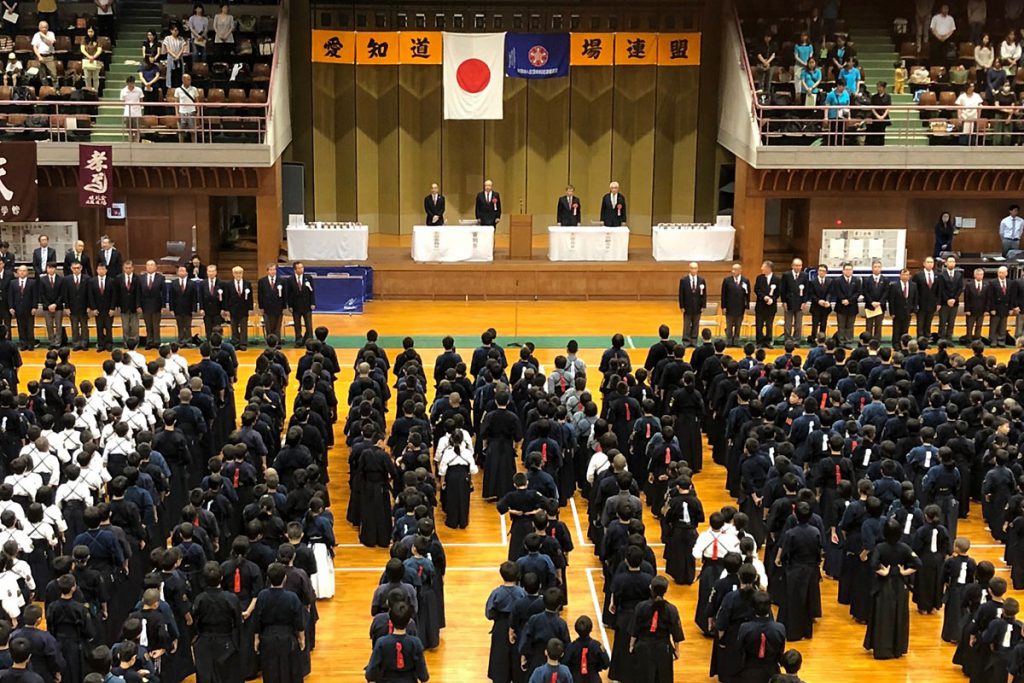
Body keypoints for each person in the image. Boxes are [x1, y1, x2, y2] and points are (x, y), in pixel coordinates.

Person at [863, 518, 922, 659]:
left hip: (884, 585)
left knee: (883, 617)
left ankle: (883, 649)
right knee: (899, 615)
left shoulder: (880, 548)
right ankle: (897, 648)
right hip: (900, 585)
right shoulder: (905, 547)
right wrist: (904, 572)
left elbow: (873, 564)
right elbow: (918, 563)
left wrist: (883, 572)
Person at [252, 563, 306, 683]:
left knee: (270, 670)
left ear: (268, 578)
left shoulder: (262, 596)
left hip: (268, 637)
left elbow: (257, 619)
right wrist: (302, 638)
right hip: (288, 637)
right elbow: (299, 620)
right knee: (290, 670)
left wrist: (256, 638)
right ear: (285, 578)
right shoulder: (292, 597)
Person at [191, 562, 244, 683]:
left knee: (205, 676)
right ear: (221, 577)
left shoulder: (199, 599)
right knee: (227, 676)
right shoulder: (230, 598)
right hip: (226, 641)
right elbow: (238, 623)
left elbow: (195, 621)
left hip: (205, 641)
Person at [627, 575, 683, 683]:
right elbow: (676, 631)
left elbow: (635, 628)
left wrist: (631, 645)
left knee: (643, 678)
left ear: (650, 588)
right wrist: (676, 650)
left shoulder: (641, 606)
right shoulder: (671, 609)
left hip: (643, 647)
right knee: (663, 678)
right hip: (663, 649)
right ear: (665, 591)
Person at [365, 601, 429, 682]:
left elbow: (370, 674)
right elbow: (424, 676)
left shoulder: (381, 643)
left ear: (390, 620)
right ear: (409, 621)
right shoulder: (415, 643)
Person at [436, 429, 477, 529]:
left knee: (452, 499)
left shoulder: (448, 452)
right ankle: (463, 521)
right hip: (464, 477)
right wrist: (470, 480)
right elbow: (473, 470)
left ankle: (452, 521)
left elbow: (442, 470)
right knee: (464, 499)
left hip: (451, 477)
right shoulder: (467, 453)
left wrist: (442, 482)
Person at [286, 262, 316, 347]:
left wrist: (312, 303)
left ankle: (310, 341)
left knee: (308, 324)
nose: (301, 269)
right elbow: (289, 294)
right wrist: (290, 305)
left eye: (302, 267)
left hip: (307, 305)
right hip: (296, 306)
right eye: (298, 268)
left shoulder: (308, 278)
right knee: (297, 324)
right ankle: (298, 341)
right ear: (295, 270)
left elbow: (312, 291)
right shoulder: (290, 280)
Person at [87, 262, 115, 351]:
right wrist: (93, 308)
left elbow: (114, 296)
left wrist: (112, 308)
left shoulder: (111, 281)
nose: (101, 271)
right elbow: (90, 296)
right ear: (97, 270)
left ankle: (109, 344)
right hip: (97, 309)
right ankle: (101, 344)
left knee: (108, 327)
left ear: (106, 270)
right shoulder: (92, 281)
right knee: (99, 327)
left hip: (108, 309)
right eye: (99, 269)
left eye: (103, 269)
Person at [63, 261, 91, 351]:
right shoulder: (67, 279)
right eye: (74, 268)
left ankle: (84, 343)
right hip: (72, 307)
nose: (76, 270)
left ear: (81, 268)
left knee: (84, 326)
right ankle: (75, 343)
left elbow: (89, 293)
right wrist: (67, 307)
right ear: (71, 269)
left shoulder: (87, 278)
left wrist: (89, 306)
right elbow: (65, 294)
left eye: (78, 268)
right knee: (74, 326)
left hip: (84, 307)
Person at [137, 260, 165, 349]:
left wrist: (163, 306)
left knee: (156, 325)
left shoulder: (160, 278)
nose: (150, 267)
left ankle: (157, 342)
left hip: (157, 305)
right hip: (145, 305)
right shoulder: (141, 278)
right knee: (148, 325)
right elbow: (139, 293)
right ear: (146, 267)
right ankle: (149, 342)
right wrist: (139, 305)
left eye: (152, 265)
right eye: (148, 265)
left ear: (156, 267)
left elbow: (163, 293)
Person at [721, 263, 750, 347]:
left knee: (738, 325)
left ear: (740, 271)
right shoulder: (727, 280)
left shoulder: (745, 281)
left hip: (740, 307)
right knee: (729, 325)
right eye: (732, 269)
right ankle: (729, 341)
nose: (733, 271)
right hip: (729, 307)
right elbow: (723, 294)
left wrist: (747, 306)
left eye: (735, 270)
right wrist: (724, 306)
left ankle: (736, 341)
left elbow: (747, 294)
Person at [831, 262, 860, 345]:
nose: (848, 271)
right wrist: (843, 299)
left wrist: (849, 301)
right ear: (843, 271)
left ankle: (849, 339)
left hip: (852, 306)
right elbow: (837, 292)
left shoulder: (857, 280)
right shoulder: (837, 280)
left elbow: (858, 292)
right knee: (841, 324)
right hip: (841, 306)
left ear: (852, 271)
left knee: (850, 324)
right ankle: (841, 340)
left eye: (850, 269)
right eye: (846, 269)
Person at [7, 266, 35, 350]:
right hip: (18, 308)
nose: (22, 272)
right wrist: (11, 307)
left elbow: (35, 296)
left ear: (27, 272)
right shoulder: (13, 283)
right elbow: (10, 296)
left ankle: (30, 344)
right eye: (20, 271)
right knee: (21, 327)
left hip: (29, 308)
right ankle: (23, 344)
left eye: (24, 271)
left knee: (30, 328)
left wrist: (34, 306)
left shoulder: (32, 282)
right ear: (17, 272)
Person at [678, 261, 706, 346]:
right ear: (689, 269)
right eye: (692, 268)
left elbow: (704, 294)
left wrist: (703, 305)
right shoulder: (684, 280)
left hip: (697, 307)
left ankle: (694, 340)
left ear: (697, 269)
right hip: (687, 306)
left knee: (696, 324)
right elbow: (681, 294)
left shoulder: (701, 280)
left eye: (695, 268)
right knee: (687, 324)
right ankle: (686, 340)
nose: (694, 270)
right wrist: (682, 306)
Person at [36, 263, 63, 350]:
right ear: (47, 269)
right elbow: (41, 294)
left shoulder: (61, 279)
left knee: (58, 325)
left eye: (52, 268)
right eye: (49, 268)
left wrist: (55, 304)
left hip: (58, 306)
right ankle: (51, 342)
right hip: (46, 307)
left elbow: (62, 294)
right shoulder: (42, 280)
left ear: (55, 269)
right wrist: (48, 305)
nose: (51, 270)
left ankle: (58, 342)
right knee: (49, 325)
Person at [888, 268, 917, 346]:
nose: (905, 276)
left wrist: (913, 310)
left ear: (909, 276)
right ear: (900, 276)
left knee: (905, 329)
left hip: (908, 312)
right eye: (903, 275)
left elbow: (915, 298)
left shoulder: (913, 285)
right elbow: (891, 300)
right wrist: (892, 312)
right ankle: (896, 344)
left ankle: (904, 344)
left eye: (907, 275)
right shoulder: (894, 286)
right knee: (896, 329)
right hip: (897, 312)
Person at [779, 258, 806, 343]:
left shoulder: (804, 275)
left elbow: (807, 290)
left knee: (798, 323)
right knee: (788, 323)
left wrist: (804, 302)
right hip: (789, 302)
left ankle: (797, 340)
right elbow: (782, 289)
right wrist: (784, 301)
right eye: (796, 265)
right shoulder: (786, 275)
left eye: (800, 266)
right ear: (792, 266)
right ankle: (787, 339)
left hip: (800, 302)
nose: (798, 267)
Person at [225, 266, 252, 350]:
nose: (238, 274)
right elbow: (227, 297)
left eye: (240, 273)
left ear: (242, 274)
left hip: (244, 309)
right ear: (233, 274)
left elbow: (250, 298)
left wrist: (250, 309)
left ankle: (243, 343)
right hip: (233, 309)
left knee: (244, 327)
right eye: (236, 273)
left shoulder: (247, 284)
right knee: (234, 327)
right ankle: (235, 343)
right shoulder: (229, 284)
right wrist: (227, 310)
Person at [168, 265, 197, 345]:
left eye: (183, 271)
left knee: (188, 325)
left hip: (188, 309)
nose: (181, 272)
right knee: (180, 325)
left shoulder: (192, 283)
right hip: (177, 308)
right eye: (180, 271)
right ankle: (180, 340)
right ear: (177, 273)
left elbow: (194, 297)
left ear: (187, 273)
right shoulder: (174, 283)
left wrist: (194, 309)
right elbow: (171, 297)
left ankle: (188, 341)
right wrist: (171, 309)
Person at [936, 255, 963, 341]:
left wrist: (954, 299)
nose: (951, 263)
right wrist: (947, 299)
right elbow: (941, 289)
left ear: (955, 263)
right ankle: (942, 339)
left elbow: (960, 288)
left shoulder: (959, 275)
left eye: (953, 261)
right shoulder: (941, 275)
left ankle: (949, 338)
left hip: (954, 302)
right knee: (943, 322)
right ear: (946, 263)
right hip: (944, 302)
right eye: (950, 261)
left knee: (951, 322)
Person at [754, 260, 779, 348]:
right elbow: (757, 290)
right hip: (761, 305)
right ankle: (759, 341)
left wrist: (772, 299)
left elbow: (778, 292)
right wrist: (764, 297)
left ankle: (768, 341)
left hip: (771, 307)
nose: (761, 268)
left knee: (769, 325)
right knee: (759, 325)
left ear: (768, 268)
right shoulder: (759, 278)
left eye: (763, 267)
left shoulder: (776, 279)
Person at [912, 256, 939, 339]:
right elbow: (914, 290)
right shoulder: (918, 275)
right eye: (928, 262)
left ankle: (927, 339)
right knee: (920, 323)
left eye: (931, 262)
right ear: (924, 264)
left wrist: (938, 303)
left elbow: (939, 290)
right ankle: (920, 340)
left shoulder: (937, 275)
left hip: (932, 304)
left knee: (928, 323)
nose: (930, 264)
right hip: (921, 304)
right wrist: (915, 304)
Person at [861, 260, 888, 340]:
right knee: (869, 325)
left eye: (878, 267)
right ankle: (867, 340)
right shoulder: (867, 280)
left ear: (881, 268)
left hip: (880, 306)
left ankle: (877, 341)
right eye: (875, 267)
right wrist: (872, 302)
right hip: (870, 306)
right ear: (872, 268)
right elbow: (865, 292)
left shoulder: (885, 280)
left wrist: (879, 302)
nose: (877, 269)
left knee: (878, 325)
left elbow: (886, 292)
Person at [257, 263, 285, 341]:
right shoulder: (262, 281)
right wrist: (261, 307)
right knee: (268, 326)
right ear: (267, 271)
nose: (273, 271)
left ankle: (277, 341)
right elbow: (260, 295)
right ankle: (270, 341)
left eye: (274, 269)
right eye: (271, 269)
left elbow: (284, 294)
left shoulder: (281, 281)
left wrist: (284, 306)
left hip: (278, 307)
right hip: (267, 307)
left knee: (277, 326)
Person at [987, 265, 1012, 346]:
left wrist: (1010, 308)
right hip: (996, 308)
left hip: (1005, 307)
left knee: (1003, 325)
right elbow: (990, 297)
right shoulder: (992, 282)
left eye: (1003, 272)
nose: (1001, 274)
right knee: (994, 325)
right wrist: (992, 308)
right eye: (999, 272)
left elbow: (1012, 296)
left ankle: (1001, 340)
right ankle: (993, 340)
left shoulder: (1010, 282)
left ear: (1006, 273)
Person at [115, 260, 139, 342]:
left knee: (134, 326)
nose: (128, 269)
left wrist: (138, 305)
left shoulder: (137, 278)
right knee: (125, 326)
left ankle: (135, 342)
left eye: (129, 268)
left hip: (134, 307)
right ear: (123, 268)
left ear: (132, 268)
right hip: (123, 306)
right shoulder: (118, 278)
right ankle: (126, 342)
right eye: (126, 268)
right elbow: (117, 293)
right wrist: (117, 305)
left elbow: (139, 293)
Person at [963, 267, 987, 341]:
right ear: (974, 275)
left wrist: (986, 310)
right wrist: (967, 309)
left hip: (981, 310)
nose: (979, 276)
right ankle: (969, 340)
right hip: (971, 310)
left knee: (979, 326)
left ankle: (977, 340)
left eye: (981, 274)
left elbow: (988, 299)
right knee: (969, 326)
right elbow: (966, 298)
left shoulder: (986, 285)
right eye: (978, 274)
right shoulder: (969, 285)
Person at [175, 73, 199, 143]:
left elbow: (197, 102)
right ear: (183, 80)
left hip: (192, 112)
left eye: (190, 79)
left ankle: (195, 144)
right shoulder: (178, 90)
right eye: (188, 79)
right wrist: (176, 113)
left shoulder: (194, 89)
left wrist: (198, 112)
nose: (189, 81)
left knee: (193, 131)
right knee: (181, 131)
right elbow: (176, 103)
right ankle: (181, 145)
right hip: (182, 112)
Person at [824, 81, 850, 145]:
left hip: (843, 115)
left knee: (841, 132)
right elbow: (827, 106)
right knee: (833, 132)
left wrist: (849, 116)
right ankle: (832, 146)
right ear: (838, 86)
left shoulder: (846, 94)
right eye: (842, 86)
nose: (843, 88)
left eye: (844, 86)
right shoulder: (831, 94)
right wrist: (826, 117)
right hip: (833, 116)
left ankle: (840, 146)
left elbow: (848, 106)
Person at [161, 24, 187, 89]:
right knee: (171, 74)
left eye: (177, 30)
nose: (176, 32)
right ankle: (171, 88)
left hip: (179, 58)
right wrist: (174, 56)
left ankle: (180, 87)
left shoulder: (181, 38)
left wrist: (178, 56)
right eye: (174, 30)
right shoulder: (167, 38)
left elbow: (182, 48)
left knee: (179, 73)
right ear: (171, 31)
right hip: (171, 58)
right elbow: (168, 49)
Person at [866, 81, 891, 145]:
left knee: (882, 133)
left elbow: (888, 107)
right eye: (878, 87)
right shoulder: (874, 97)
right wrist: (877, 116)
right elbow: (872, 107)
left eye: (880, 87)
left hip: (884, 117)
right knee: (875, 133)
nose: (878, 88)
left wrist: (883, 116)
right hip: (875, 117)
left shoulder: (888, 96)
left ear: (884, 88)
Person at [119, 77, 143, 143]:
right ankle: (130, 143)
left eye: (132, 83)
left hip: (137, 112)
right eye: (130, 83)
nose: (131, 84)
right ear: (127, 83)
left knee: (137, 129)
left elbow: (141, 100)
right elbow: (122, 102)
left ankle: (137, 143)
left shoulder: (139, 90)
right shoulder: (123, 91)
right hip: (127, 112)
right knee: (129, 129)